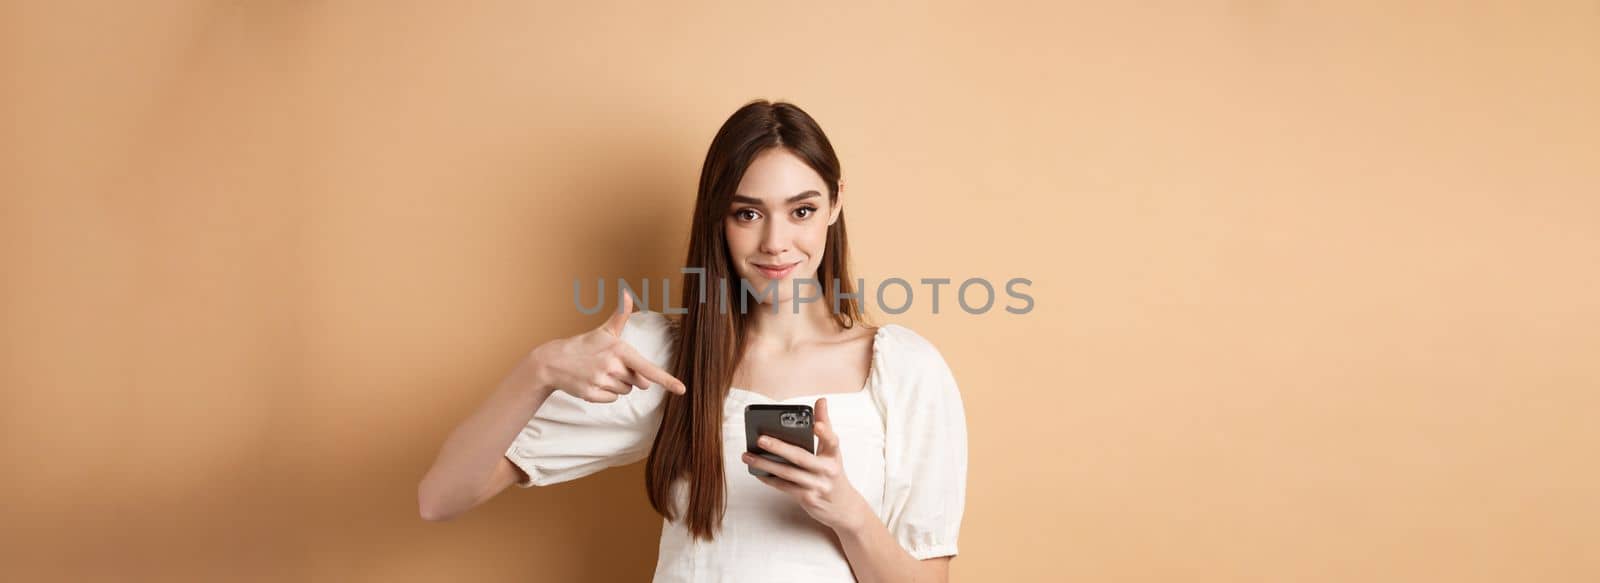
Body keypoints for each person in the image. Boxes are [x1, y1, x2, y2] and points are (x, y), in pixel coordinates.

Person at [418, 99, 968, 582]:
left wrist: (847, 512)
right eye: (747, 213)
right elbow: (441, 499)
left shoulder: (902, 368)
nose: (777, 243)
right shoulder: (664, 359)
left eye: (802, 210)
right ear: (718, 218)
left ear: (835, 202)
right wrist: (536, 371)